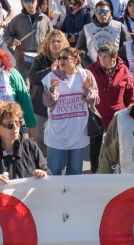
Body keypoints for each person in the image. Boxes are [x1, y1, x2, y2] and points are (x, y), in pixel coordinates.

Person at [42, 47, 99, 176]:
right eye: (59, 58)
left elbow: (95, 100)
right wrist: (52, 90)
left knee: (75, 173)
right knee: (53, 172)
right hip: (56, 134)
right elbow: (46, 102)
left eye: (65, 57)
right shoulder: (52, 76)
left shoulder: (86, 75)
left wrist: (86, 90)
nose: (61, 61)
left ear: (75, 60)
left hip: (78, 134)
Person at [86, 42, 134, 174]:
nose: (102, 59)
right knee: (95, 145)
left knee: (116, 145)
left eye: (105, 56)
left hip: (117, 115)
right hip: (97, 114)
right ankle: (95, 170)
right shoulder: (90, 70)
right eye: (100, 56)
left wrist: (132, 108)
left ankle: (115, 170)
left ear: (114, 58)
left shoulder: (123, 70)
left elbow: (129, 92)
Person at [28, 30, 70, 152]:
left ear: (64, 43)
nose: (56, 44)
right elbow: (33, 78)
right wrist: (50, 71)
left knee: (61, 142)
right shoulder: (40, 59)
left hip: (62, 108)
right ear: (47, 43)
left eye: (59, 41)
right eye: (53, 41)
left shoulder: (69, 59)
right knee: (40, 142)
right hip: (41, 108)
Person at [3, 0, 52, 84]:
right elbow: (6, 34)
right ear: (23, 3)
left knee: (38, 85)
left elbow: (51, 36)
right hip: (22, 59)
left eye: (32, 1)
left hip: (40, 58)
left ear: (36, 2)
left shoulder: (44, 19)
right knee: (25, 85)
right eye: (27, 1)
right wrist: (12, 41)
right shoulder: (17, 19)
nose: (30, 3)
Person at [77, 0, 127, 67]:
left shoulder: (119, 26)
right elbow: (79, 49)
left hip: (114, 66)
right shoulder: (87, 28)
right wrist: (89, 65)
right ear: (95, 13)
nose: (102, 14)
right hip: (94, 67)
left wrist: (117, 63)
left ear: (110, 13)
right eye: (99, 12)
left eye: (105, 12)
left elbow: (126, 48)